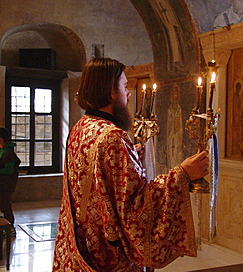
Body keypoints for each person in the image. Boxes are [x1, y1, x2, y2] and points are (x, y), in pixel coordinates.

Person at [52, 58, 209, 272]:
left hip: (83, 245)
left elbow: (96, 175)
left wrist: (129, 155)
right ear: (111, 91)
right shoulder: (113, 137)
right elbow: (135, 209)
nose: (128, 93)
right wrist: (182, 174)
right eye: (124, 86)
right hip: (109, 253)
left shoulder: (81, 127)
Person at [0, 127, 21, 237]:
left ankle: (10, 228)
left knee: (5, 205)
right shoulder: (3, 151)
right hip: (2, 184)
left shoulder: (8, 153)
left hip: (6, 184)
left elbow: (8, 170)